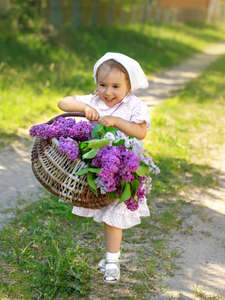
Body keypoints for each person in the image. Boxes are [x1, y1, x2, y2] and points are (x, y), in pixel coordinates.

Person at [57, 52, 151, 283]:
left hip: (123, 171)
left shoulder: (134, 105)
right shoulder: (95, 101)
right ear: (96, 85)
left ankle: (112, 261)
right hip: (96, 169)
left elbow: (141, 132)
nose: (108, 92)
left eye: (116, 86)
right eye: (103, 85)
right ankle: (110, 259)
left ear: (129, 86)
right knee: (103, 211)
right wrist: (84, 108)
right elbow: (62, 103)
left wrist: (118, 122)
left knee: (114, 217)